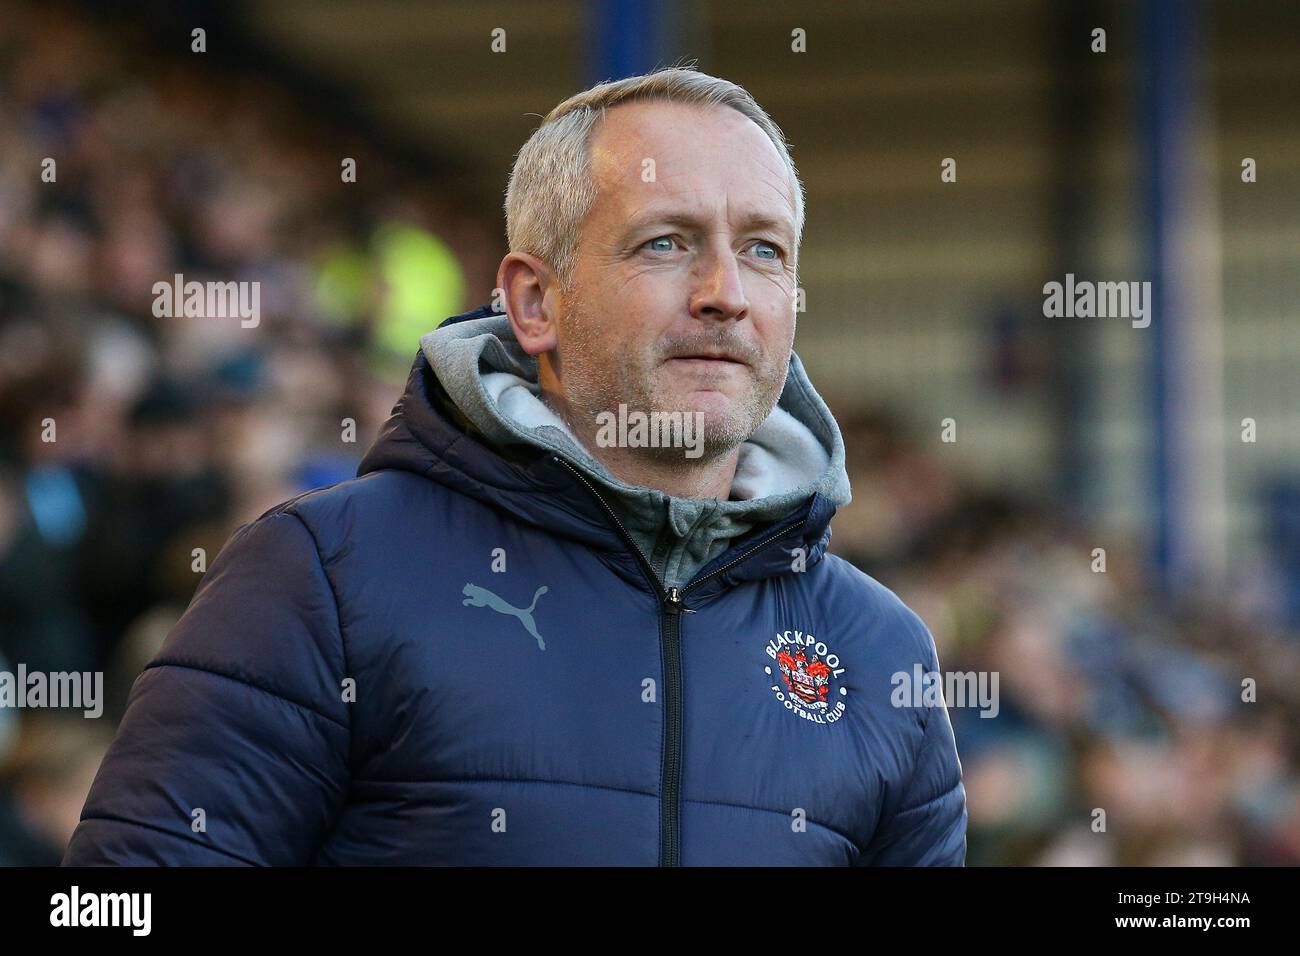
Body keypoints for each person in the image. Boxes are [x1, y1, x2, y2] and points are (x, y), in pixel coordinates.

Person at [63, 66, 966, 866]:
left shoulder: (880, 651)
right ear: (535, 301)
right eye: (666, 242)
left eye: (763, 250)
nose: (725, 292)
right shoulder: (320, 578)